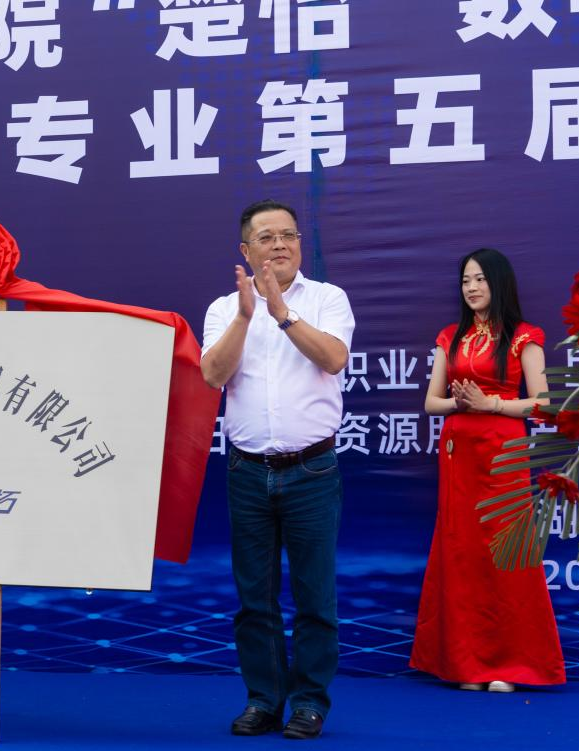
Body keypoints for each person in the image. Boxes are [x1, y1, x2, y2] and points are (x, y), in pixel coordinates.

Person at [201, 200, 354, 740]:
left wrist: (280, 311)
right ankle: (264, 700)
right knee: (255, 599)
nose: (281, 245)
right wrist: (248, 316)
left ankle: (309, 702)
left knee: (315, 597)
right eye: (267, 238)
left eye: (289, 235)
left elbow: (333, 358)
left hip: (311, 471)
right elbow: (212, 375)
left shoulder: (328, 299)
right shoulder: (225, 308)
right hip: (247, 473)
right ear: (246, 251)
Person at [410, 248, 564, 692]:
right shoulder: (450, 337)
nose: (472, 288)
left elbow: (544, 403)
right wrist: (461, 404)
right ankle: (465, 664)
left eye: (480, 279)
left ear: (499, 282)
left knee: (505, 550)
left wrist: (491, 403)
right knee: (460, 552)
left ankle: (509, 664)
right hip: (459, 451)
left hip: (503, 451)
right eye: (465, 281)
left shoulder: (523, 336)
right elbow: (430, 403)